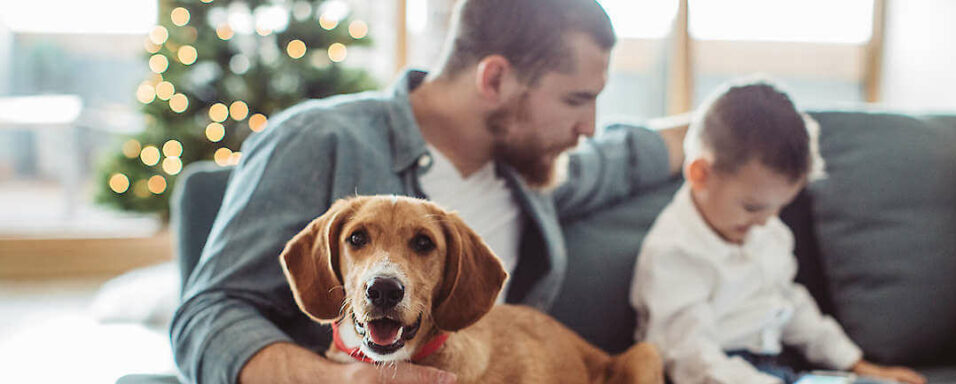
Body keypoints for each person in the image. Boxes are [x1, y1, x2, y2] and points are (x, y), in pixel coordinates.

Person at [170, 0, 688, 383]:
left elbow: (636, 152)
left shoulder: (537, 166)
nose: (590, 128)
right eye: (577, 99)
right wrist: (337, 380)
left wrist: (743, 124)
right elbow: (205, 317)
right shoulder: (315, 141)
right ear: (496, 79)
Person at [629, 81, 928, 384]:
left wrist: (855, 364)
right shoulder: (675, 252)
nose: (764, 222)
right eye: (752, 207)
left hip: (777, 370)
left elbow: (789, 305)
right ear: (700, 175)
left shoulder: (767, 232)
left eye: (778, 208)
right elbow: (691, 359)